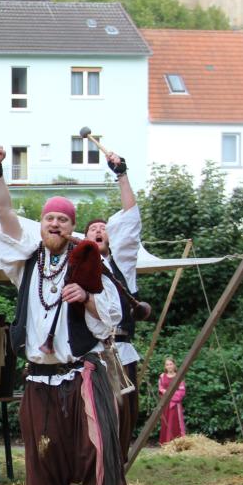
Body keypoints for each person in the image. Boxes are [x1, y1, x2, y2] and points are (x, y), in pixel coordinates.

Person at [0, 145, 129, 485]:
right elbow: (4, 214)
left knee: (99, 450)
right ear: (42, 224)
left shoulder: (88, 264)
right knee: (44, 453)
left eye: (63, 219)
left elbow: (112, 318)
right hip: (39, 378)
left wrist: (85, 296)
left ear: (71, 227)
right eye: (50, 217)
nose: (55, 223)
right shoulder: (24, 263)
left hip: (81, 374)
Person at [82, 150, 140, 451]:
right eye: (92, 230)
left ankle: (115, 471)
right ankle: (89, 472)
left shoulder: (123, 266)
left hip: (120, 353)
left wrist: (121, 174)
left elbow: (130, 219)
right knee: (86, 418)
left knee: (122, 416)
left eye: (103, 228)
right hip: (86, 355)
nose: (99, 230)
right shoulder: (75, 271)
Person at [157, 358, 187, 444]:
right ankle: (166, 442)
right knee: (165, 422)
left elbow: (182, 391)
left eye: (171, 364)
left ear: (174, 365)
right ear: (165, 366)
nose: (169, 366)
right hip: (165, 404)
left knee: (174, 423)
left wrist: (171, 395)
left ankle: (178, 443)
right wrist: (166, 393)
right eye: (167, 364)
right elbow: (160, 388)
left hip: (175, 404)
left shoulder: (179, 377)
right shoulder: (162, 376)